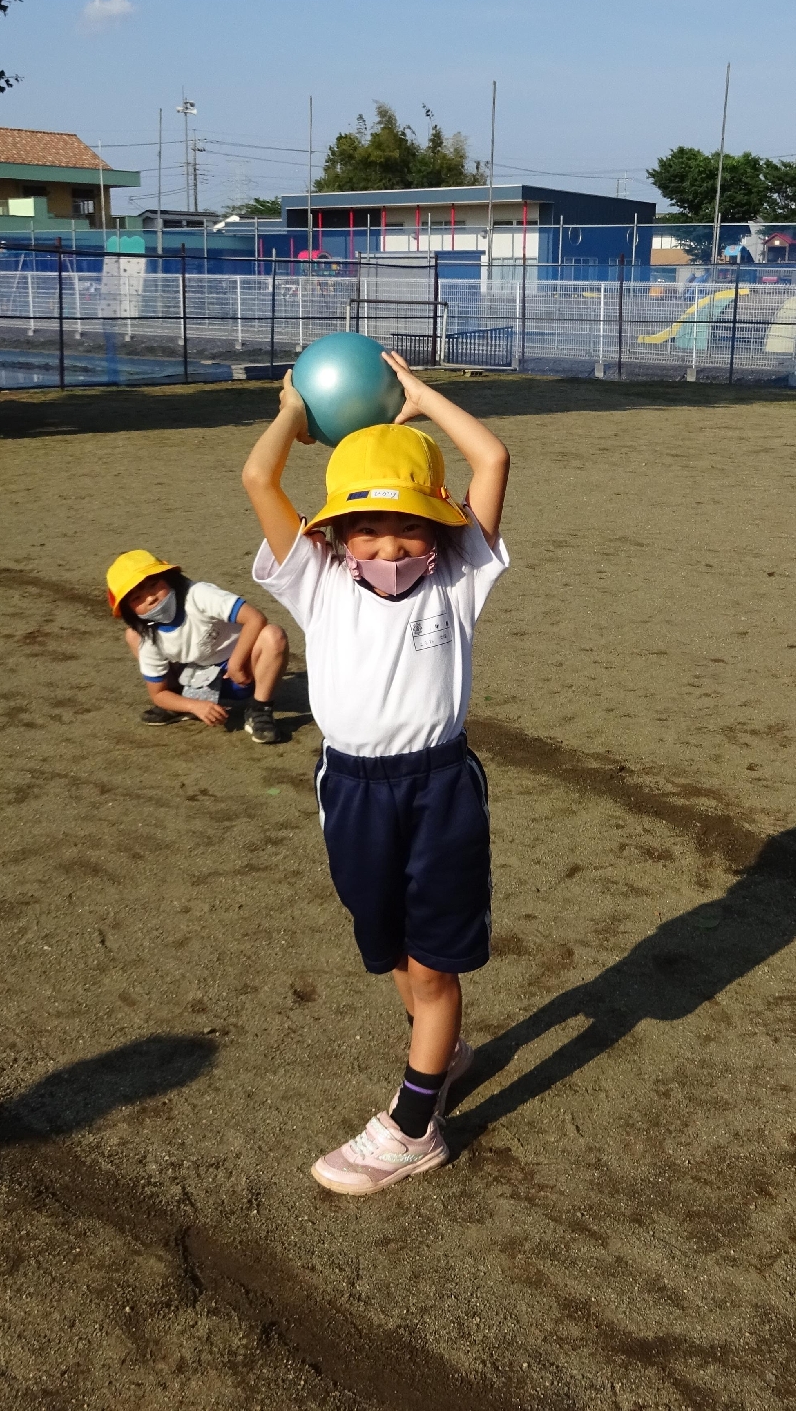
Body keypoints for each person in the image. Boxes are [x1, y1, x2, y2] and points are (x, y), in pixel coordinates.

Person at [242, 353, 509, 1195]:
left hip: (438, 788)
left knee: (434, 967)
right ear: (334, 534)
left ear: (440, 528)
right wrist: (293, 408)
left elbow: (493, 460)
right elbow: (258, 473)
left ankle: (412, 1125)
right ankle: (444, 1045)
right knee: (385, 936)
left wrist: (424, 401)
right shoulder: (316, 581)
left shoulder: (459, 578)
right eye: (367, 528)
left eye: (409, 528)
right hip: (351, 789)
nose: (388, 543)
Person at [106, 549, 287, 745]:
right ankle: (178, 704)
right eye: (136, 598)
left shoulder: (198, 594)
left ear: (169, 578)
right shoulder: (148, 635)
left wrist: (236, 663)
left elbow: (255, 618)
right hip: (196, 677)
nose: (150, 598)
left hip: (242, 671)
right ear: (129, 611)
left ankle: (259, 709)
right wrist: (195, 706)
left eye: (153, 585)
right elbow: (157, 693)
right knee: (133, 636)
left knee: (273, 635)